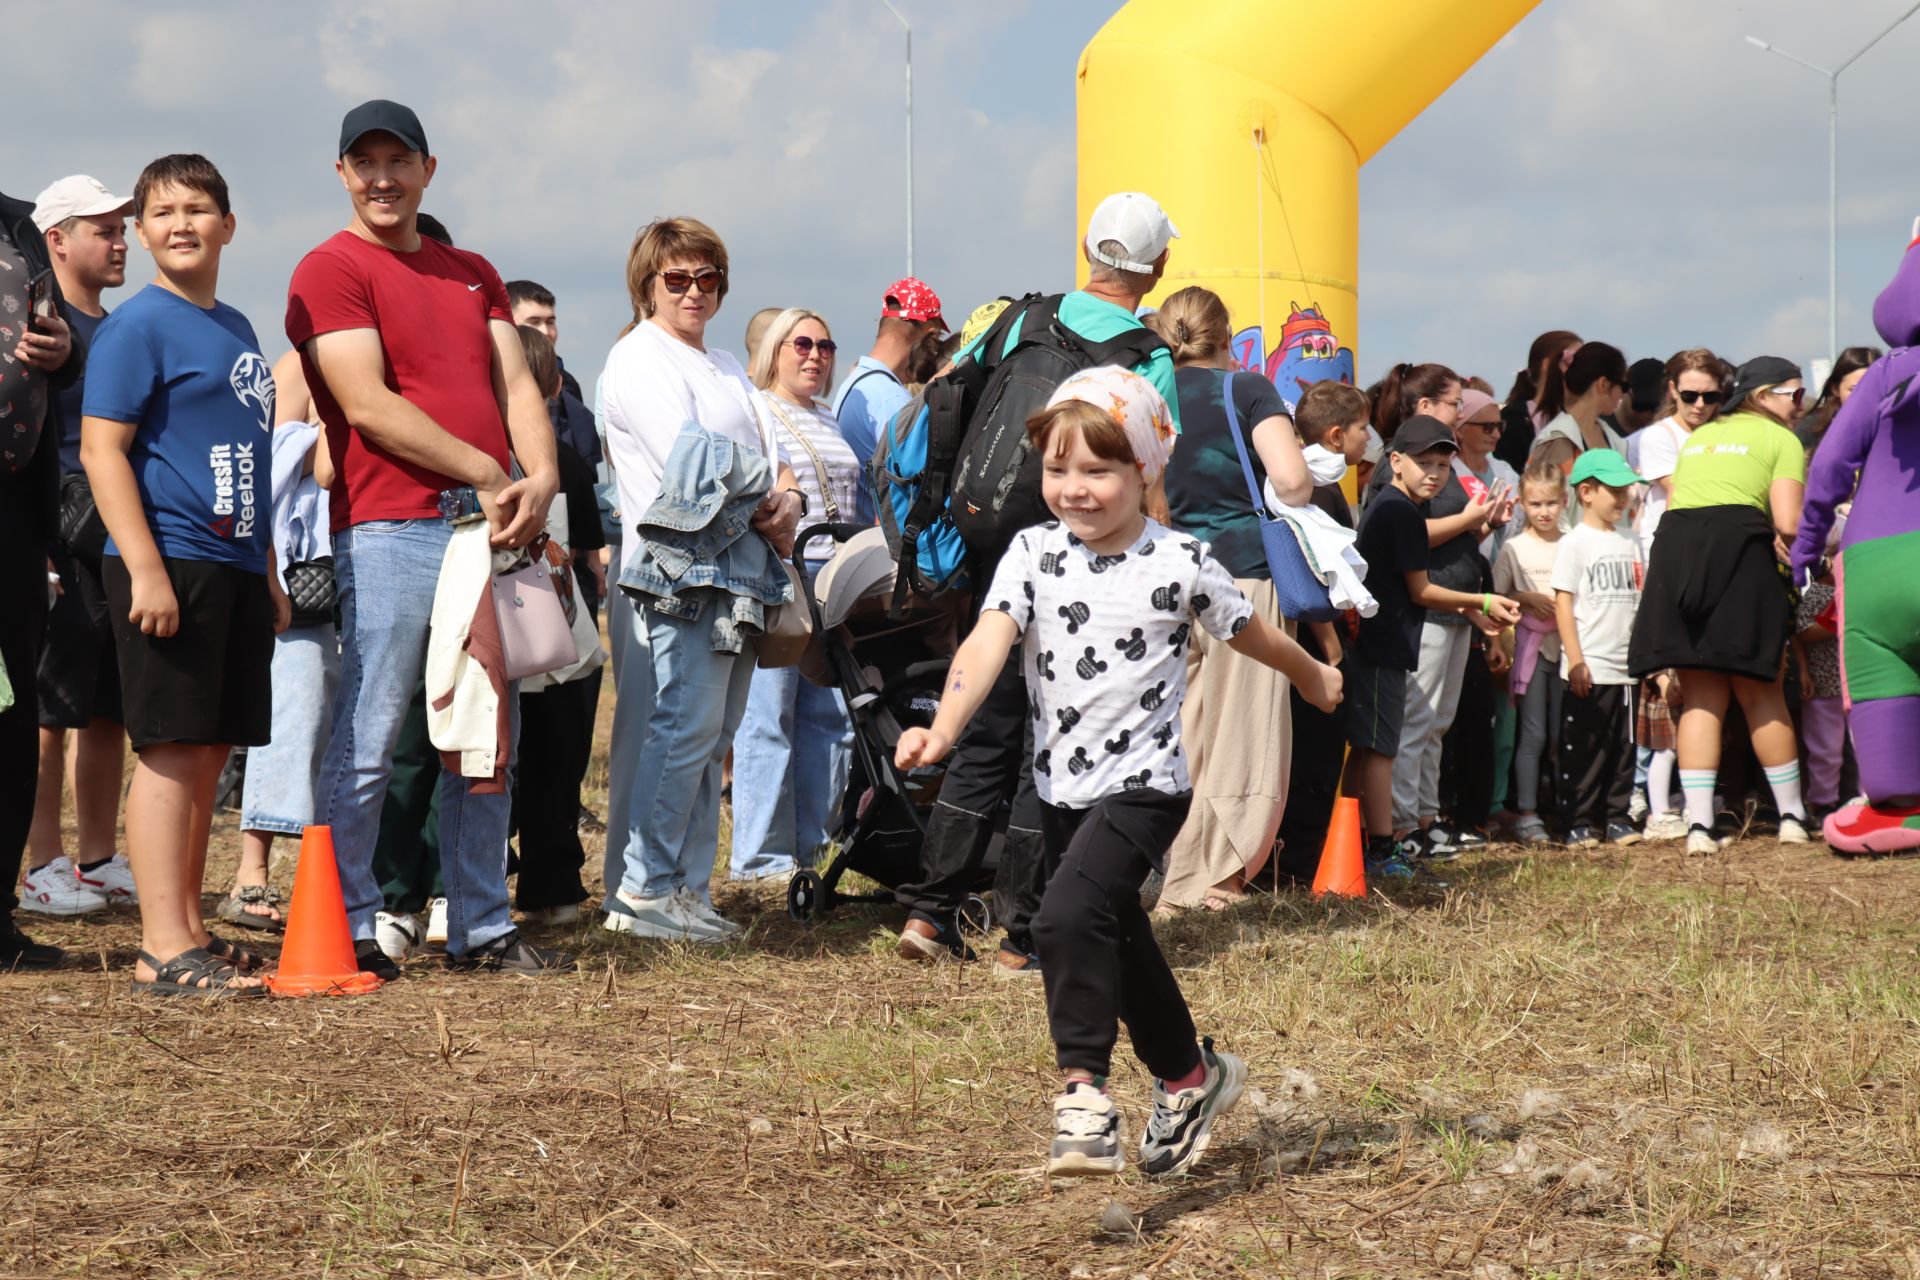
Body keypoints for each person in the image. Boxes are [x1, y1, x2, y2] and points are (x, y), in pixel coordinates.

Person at [894, 367, 1342, 1179]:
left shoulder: (1180, 560)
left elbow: (1251, 635)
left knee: (1061, 919)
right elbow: (987, 641)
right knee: (1123, 945)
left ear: (1145, 469)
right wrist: (943, 726)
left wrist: (1310, 674)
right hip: (1064, 789)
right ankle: (1190, 1078)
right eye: (1058, 470)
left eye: (1097, 470)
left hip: (1145, 790)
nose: (1074, 489)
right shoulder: (1031, 553)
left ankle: (1084, 1096)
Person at [286, 100, 570, 976]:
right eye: (363, 162)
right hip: (391, 529)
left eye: (397, 161)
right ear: (342, 174)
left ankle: (482, 924)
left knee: (485, 739)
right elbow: (366, 403)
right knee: (371, 734)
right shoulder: (329, 268)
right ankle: (353, 920)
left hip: (491, 532)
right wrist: (491, 475)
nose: (381, 177)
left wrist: (543, 479)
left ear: (427, 171)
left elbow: (517, 382)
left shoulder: (473, 271)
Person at [892, 191, 1178, 970]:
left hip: (991, 535)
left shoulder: (1023, 316)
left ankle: (928, 914)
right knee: (1046, 740)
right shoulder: (1147, 356)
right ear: (1157, 266)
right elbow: (1154, 475)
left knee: (987, 721)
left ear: (1088, 248)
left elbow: (951, 394)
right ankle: (1020, 936)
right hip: (1078, 552)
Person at [79, 154, 290, 994]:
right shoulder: (139, 326)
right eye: (162, 212)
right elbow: (103, 451)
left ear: (228, 226)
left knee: (208, 751)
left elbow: (251, 459)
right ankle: (161, 948)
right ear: (140, 230)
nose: (180, 224)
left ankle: (192, 932)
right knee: (169, 750)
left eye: (198, 209)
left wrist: (267, 567)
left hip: (234, 562)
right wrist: (145, 570)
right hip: (168, 556)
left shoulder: (237, 326)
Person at [599, 216, 804, 942]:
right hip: (678, 577)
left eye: (706, 278)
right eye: (676, 279)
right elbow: (693, 463)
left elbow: (776, 454)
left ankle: (686, 892)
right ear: (647, 285)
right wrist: (773, 495)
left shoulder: (721, 363)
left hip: (740, 575)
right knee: (680, 731)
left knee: (712, 735)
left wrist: (789, 500)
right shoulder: (640, 357)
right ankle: (644, 889)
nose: (693, 291)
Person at [1152, 287, 1309, 910]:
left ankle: (1166, 871)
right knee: (1244, 726)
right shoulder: (1245, 389)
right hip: (1240, 572)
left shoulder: (1146, 393)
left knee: (1180, 729)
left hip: (1160, 573)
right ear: (1228, 336)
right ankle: (1212, 879)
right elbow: (1292, 481)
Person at [1629, 356, 1811, 855]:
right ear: (1764, 395)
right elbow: (1790, 522)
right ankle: (1793, 816)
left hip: (1678, 552)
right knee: (1762, 692)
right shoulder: (1782, 440)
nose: (1801, 404)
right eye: (1795, 393)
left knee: (1702, 697)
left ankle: (1700, 827)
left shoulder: (1703, 435)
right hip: (1741, 547)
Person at [23, 176, 137, 915]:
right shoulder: (31, 324)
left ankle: (96, 857)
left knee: (107, 709)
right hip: (51, 538)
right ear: (56, 239)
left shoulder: (122, 329)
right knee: (48, 707)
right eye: (102, 228)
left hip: (111, 538)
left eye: (122, 227)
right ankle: (40, 863)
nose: (121, 240)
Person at [1338, 417, 1519, 879]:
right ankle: (1382, 847)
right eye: (1423, 463)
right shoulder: (1398, 510)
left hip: (1384, 642)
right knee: (1381, 749)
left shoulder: (1402, 508)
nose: (1434, 473)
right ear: (1395, 462)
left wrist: (1474, 613)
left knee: (1371, 747)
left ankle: (1355, 841)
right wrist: (1480, 600)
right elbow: (1421, 591)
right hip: (1382, 644)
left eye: (1442, 463)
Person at [1789, 237, 1920, 854]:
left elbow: (1830, 468)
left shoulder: (1888, 374)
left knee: (1881, 676)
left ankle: (1895, 807)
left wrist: (1807, 549)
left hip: (1874, 562)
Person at [728, 307, 862, 883]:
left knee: (830, 720)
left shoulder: (829, 417)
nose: (815, 355)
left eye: (826, 346)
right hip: (781, 582)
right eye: (802, 344)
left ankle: (815, 846)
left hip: (836, 587)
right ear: (775, 351)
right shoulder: (759, 411)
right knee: (768, 719)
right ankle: (760, 858)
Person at [220, 352, 333, 933]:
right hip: (309, 572)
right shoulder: (300, 365)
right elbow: (283, 469)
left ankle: (349, 877)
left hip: (379, 559)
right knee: (293, 712)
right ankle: (251, 872)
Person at [1, 184, 79, 970]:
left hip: (15, 516)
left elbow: (64, 343)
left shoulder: (21, 223)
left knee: (10, 711)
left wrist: (63, 351)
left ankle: (0, 918)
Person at [507, 324, 605, 924]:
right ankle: (552, 883)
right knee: (556, 761)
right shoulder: (565, 459)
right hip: (560, 632)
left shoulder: (488, 457)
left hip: (507, 622)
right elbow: (590, 551)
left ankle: (509, 876)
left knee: (503, 760)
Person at [1272, 381, 1373, 882]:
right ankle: (1298, 865)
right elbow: (1315, 573)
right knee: (1316, 758)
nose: (1368, 438)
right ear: (1336, 436)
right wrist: (1333, 655)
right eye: (1362, 429)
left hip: (1298, 646)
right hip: (1319, 648)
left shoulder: (1303, 483)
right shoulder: (1322, 492)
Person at [1551, 450, 1645, 847]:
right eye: (1614, 490)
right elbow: (1563, 602)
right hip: (1591, 664)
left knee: (1624, 749)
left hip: (1627, 667)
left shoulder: (1632, 542)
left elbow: (1641, 599)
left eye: (1626, 490)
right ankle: (1579, 820)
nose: (1622, 498)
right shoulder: (1575, 543)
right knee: (1583, 748)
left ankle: (1617, 816)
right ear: (1586, 492)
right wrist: (1575, 659)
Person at [1493, 460, 1568, 844]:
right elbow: (1495, 596)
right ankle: (1527, 812)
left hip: (1570, 648)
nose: (1544, 512)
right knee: (1534, 733)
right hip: (1530, 650)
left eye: (1551, 503)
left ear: (1565, 501)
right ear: (1522, 503)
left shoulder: (1572, 541)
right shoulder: (1514, 548)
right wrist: (1526, 598)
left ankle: (1563, 807)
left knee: (1561, 733)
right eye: (1536, 504)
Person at [831, 278, 947, 468]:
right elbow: (915, 476)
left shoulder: (857, 382)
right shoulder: (888, 396)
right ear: (930, 334)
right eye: (937, 339)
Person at [1632, 349, 1728, 559]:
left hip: (1717, 546)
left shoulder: (1727, 432)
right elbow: (1683, 493)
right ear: (1673, 390)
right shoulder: (1658, 435)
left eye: (1710, 396)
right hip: (1669, 551)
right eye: (1690, 396)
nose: (1700, 405)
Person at [1495, 330, 1581, 471]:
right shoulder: (1514, 418)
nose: (1581, 372)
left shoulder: (1585, 419)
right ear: (1547, 364)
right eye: (1572, 363)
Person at [1793, 345, 1881, 457]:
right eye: (1854, 389)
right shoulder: (1811, 429)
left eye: (1873, 388)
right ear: (1835, 389)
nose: (1864, 397)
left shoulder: (1894, 427)